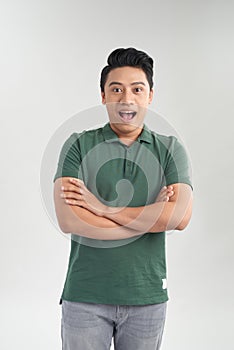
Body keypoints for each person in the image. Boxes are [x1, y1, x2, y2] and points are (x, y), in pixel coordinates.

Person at [53, 47, 193, 350]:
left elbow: (179, 218)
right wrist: (150, 217)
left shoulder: (169, 149)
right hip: (85, 296)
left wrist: (103, 208)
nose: (126, 99)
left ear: (149, 96)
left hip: (147, 298)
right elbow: (69, 219)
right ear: (103, 96)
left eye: (137, 89)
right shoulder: (78, 144)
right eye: (116, 89)